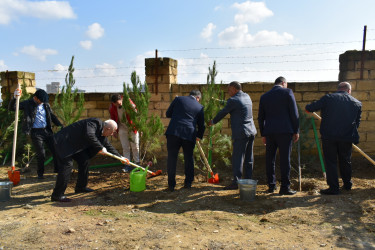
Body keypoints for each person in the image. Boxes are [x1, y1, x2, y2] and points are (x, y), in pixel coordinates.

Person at [51, 118, 127, 202]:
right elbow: (89, 134)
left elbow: (109, 147)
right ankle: (57, 195)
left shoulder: (102, 135)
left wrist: (121, 158)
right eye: (113, 132)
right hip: (63, 142)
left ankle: (81, 187)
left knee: (84, 160)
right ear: (108, 129)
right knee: (67, 166)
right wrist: (100, 147)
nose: (112, 134)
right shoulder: (95, 123)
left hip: (74, 146)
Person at [305, 82, 362, 195]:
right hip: (347, 137)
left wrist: (308, 109)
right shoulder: (357, 103)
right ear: (349, 91)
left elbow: (310, 108)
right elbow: (357, 123)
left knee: (331, 161)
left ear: (338, 89)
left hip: (329, 136)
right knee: (345, 160)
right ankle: (347, 184)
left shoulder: (328, 98)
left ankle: (334, 188)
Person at [209, 81, 257, 190]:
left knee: (238, 158)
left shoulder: (233, 100)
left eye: (229, 90)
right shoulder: (247, 96)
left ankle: (236, 182)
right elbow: (234, 106)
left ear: (235, 89)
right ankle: (248, 180)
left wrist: (213, 122)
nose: (228, 92)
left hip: (241, 133)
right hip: (251, 131)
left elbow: (223, 112)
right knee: (249, 158)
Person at [258, 76, 299, 195]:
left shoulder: (264, 96)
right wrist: (296, 130)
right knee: (285, 159)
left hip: (270, 132)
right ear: (284, 83)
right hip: (285, 131)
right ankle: (285, 187)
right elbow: (294, 113)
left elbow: (261, 117)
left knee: (270, 159)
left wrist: (263, 133)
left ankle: (271, 185)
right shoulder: (288, 92)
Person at [10, 88, 63, 179]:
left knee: (56, 149)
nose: (42, 102)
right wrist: (15, 98)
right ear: (35, 98)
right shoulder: (27, 104)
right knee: (41, 153)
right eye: (41, 101)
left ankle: (58, 171)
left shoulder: (46, 105)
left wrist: (60, 125)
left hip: (47, 131)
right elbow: (13, 108)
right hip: (36, 132)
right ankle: (40, 174)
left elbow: (52, 116)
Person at [165, 90, 205, 191]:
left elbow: (168, 113)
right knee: (189, 158)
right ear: (198, 98)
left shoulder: (178, 99)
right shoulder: (199, 107)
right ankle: (188, 183)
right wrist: (199, 136)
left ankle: (171, 185)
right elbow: (202, 125)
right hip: (189, 134)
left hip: (173, 132)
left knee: (172, 158)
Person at [109, 94, 140, 172]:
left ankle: (137, 164)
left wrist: (131, 105)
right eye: (116, 104)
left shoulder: (127, 101)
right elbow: (113, 119)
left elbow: (135, 111)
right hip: (122, 127)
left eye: (119, 103)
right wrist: (114, 131)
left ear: (121, 99)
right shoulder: (112, 108)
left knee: (135, 146)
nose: (118, 105)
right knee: (125, 147)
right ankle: (127, 165)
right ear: (113, 103)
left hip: (132, 126)